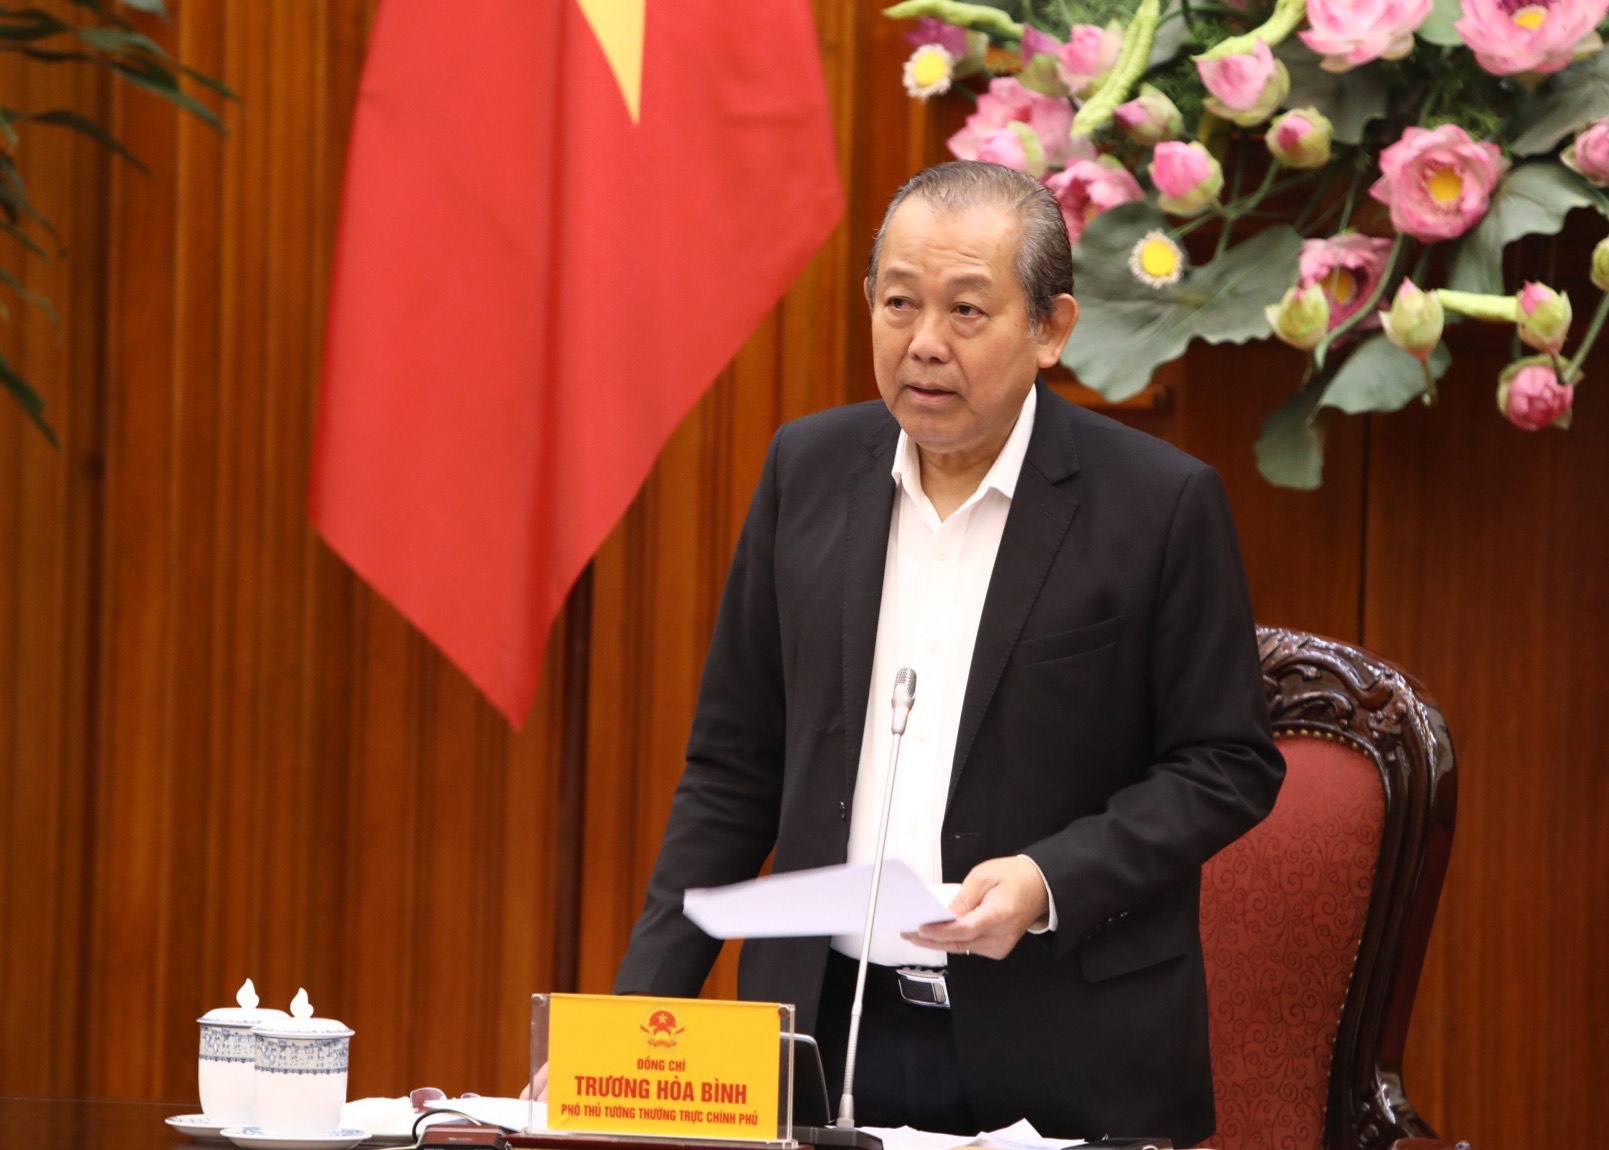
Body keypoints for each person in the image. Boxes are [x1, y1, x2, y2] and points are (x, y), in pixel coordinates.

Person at [612, 160, 1284, 1144]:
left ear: (1050, 329)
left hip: (1062, 1042)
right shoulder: (807, 470)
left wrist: (1049, 879)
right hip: (826, 1028)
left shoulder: (1158, 503)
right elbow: (732, 767)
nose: (923, 342)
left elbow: (1226, 763)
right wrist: (635, 1025)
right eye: (898, 303)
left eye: (966, 310)